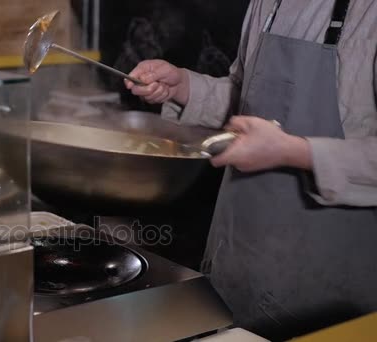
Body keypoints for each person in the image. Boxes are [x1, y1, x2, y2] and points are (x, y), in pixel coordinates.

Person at [126, 0, 377, 340]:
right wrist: (184, 87)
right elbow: (247, 97)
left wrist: (295, 152)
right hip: (238, 263)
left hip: (328, 289)